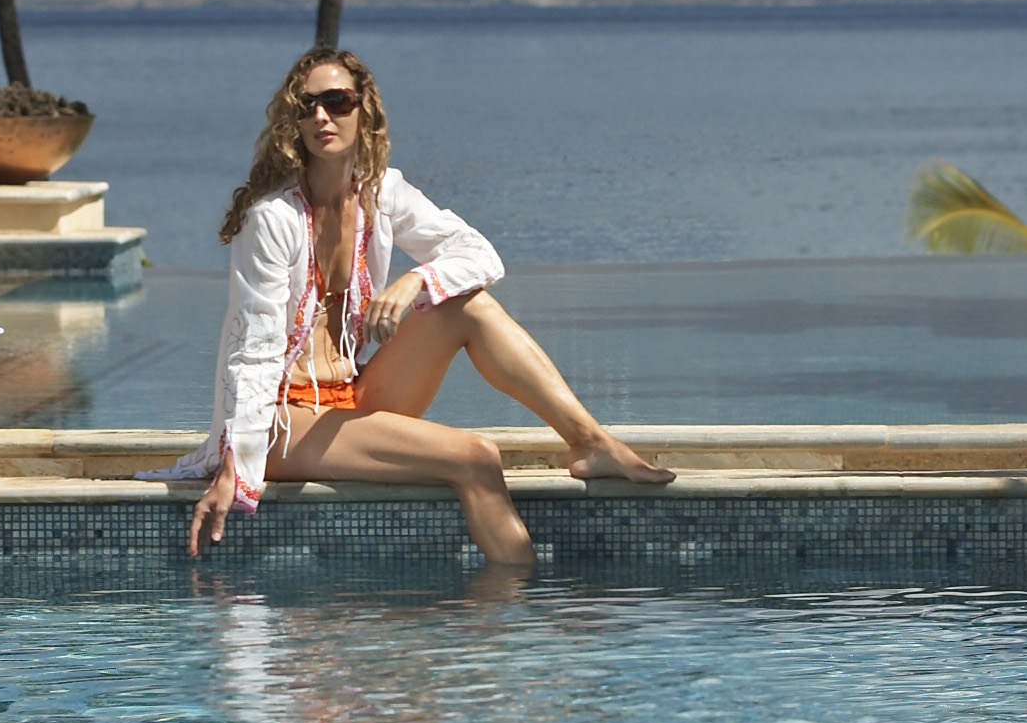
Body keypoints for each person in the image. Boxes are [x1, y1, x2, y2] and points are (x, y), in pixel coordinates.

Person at [164, 49, 673, 563]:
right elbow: (253, 352)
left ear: (364, 111)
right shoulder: (271, 219)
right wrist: (235, 464)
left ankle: (588, 442)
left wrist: (416, 280)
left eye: (337, 101)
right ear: (292, 121)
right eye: (307, 104)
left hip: (355, 397)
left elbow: (481, 255)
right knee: (475, 457)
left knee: (469, 306)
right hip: (283, 421)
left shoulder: (382, 193)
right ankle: (512, 622)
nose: (322, 116)